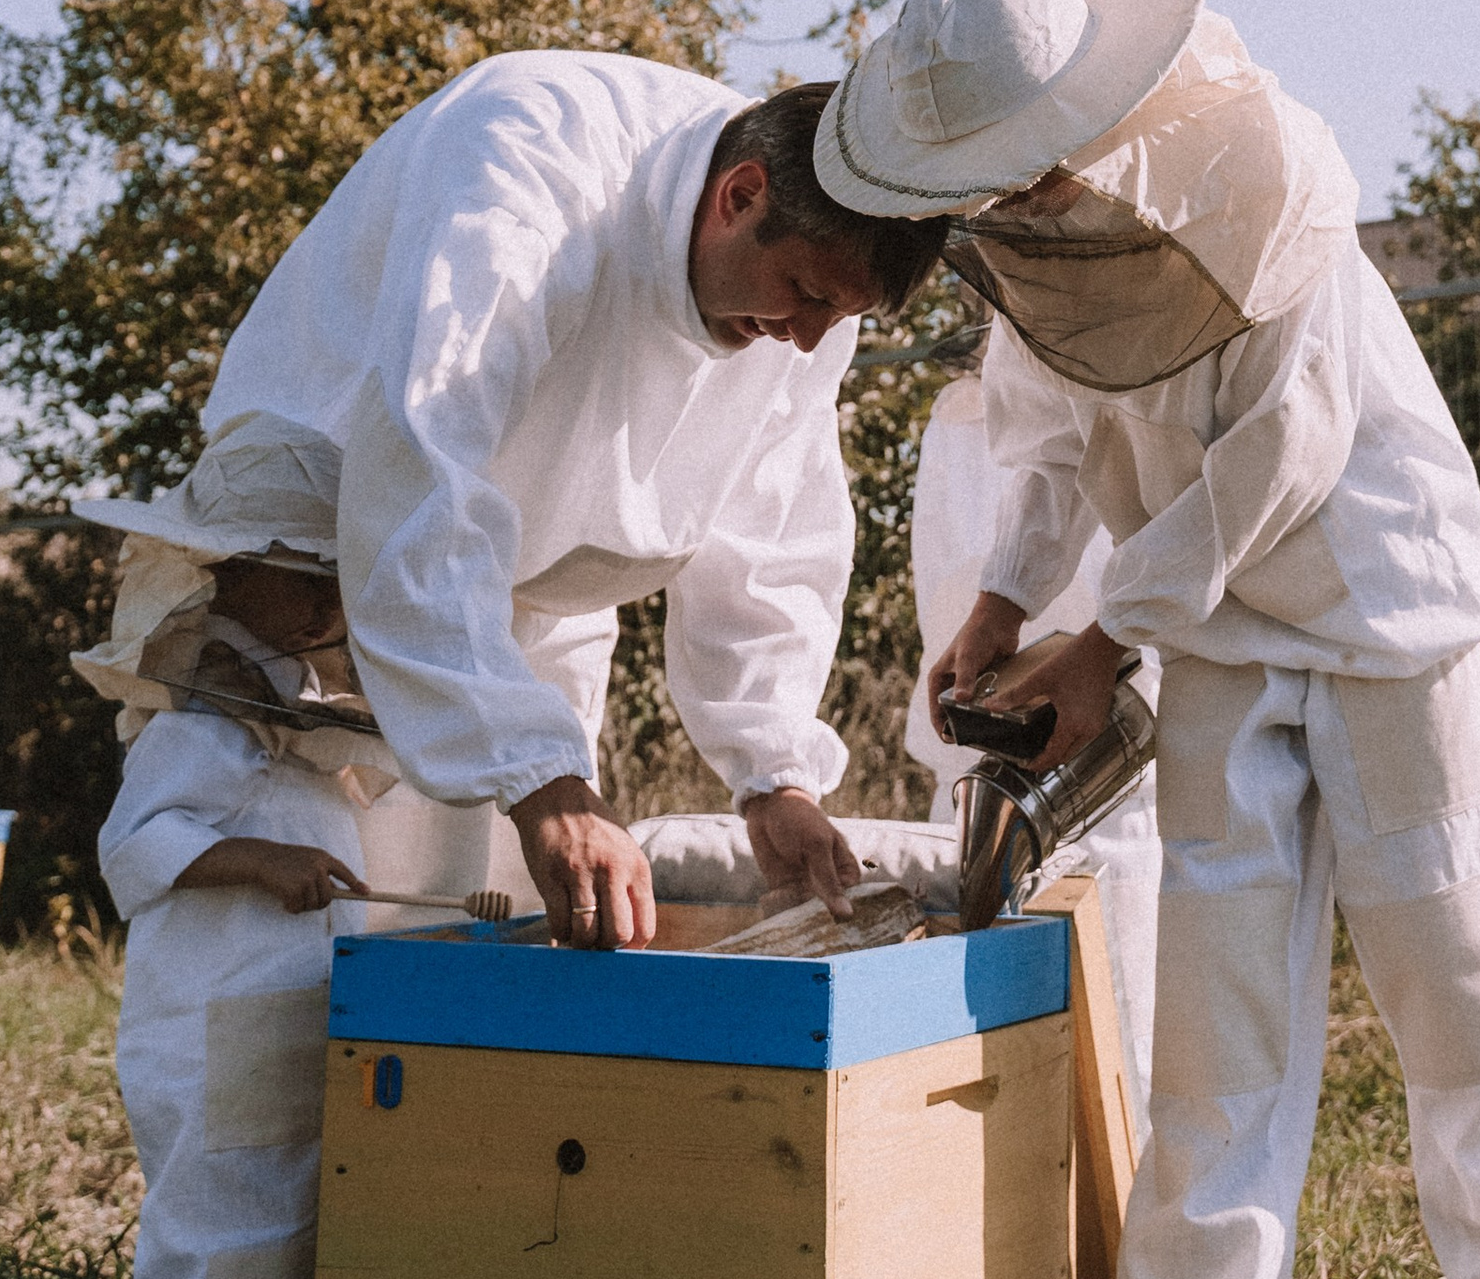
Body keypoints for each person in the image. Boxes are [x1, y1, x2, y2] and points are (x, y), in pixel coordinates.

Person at [817, 0, 1480, 1279]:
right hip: (1220, 643)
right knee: (1214, 1036)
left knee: (1470, 999)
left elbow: (1282, 454)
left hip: (1381, 619)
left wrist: (1103, 639)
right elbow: (1063, 436)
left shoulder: (1266, 169)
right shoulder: (1025, 233)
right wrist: (1007, 595)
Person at [181, 58, 946, 949]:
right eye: (807, 297)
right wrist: (541, 778)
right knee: (278, 962)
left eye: (838, 318)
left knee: (507, 952)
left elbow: (772, 535)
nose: (808, 339)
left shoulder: (812, 290)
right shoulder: (528, 161)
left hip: (535, 603)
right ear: (738, 196)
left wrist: (775, 780)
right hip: (310, 574)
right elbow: (422, 468)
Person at [71, 443, 389, 1279]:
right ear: (230, 573)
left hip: (271, 1014)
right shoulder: (206, 714)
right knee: (221, 1225)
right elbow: (132, 843)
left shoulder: (288, 703)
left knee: (279, 1219)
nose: (325, 605)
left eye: (337, 580)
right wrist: (258, 859)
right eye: (301, 578)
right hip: (212, 1033)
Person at [906, 370, 1163, 1110]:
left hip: (1131, 789)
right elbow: (1054, 466)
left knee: (1123, 1051)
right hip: (981, 801)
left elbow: (1212, 520)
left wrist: (1103, 645)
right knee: (976, 1070)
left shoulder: (1150, 365)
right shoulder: (961, 416)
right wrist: (997, 609)